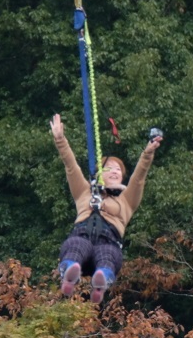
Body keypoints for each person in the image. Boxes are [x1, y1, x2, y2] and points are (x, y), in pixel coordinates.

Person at [50, 113, 162, 303]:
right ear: (100, 173)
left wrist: (148, 152)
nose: (115, 171)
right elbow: (71, 166)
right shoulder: (85, 192)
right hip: (82, 235)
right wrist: (60, 140)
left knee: (107, 255)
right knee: (77, 246)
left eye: (118, 169)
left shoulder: (126, 200)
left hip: (109, 242)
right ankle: (70, 271)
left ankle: (101, 281)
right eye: (109, 168)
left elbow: (139, 177)